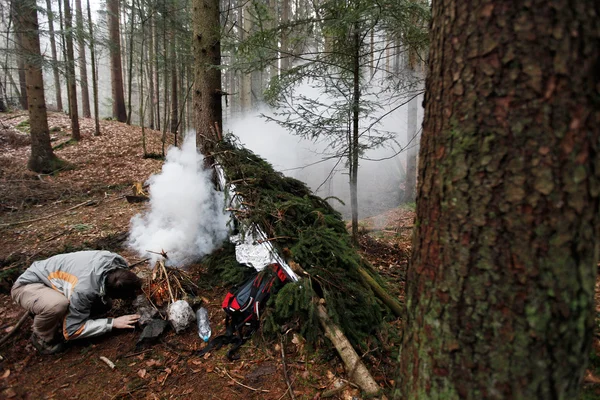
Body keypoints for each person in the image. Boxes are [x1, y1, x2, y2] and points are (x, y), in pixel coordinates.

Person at [11, 250, 143, 355]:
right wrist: (112, 323)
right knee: (57, 305)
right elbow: (71, 331)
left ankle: (50, 312)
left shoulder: (115, 260)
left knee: (104, 305)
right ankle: (42, 337)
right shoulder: (83, 290)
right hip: (29, 285)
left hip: (55, 279)